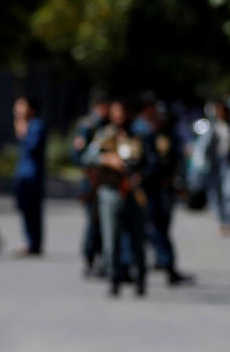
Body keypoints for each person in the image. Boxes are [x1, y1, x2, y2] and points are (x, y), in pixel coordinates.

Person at [83, 99, 147, 297]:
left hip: (134, 193)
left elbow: (151, 160)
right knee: (111, 239)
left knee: (137, 239)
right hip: (110, 191)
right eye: (116, 112)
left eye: (123, 112)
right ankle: (114, 278)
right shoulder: (104, 135)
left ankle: (140, 278)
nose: (120, 116)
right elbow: (86, 157)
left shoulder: (140, 135)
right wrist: (106, 159)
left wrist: (141, 173)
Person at [135, 98, 194, 286]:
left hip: (164, 187)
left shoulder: (168, 134)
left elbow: (177, 161)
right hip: (145, 187)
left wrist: (181, 184)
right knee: (151, 228)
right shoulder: (141, 132)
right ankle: (163, 264)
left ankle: (165, 263)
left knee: (161, 227)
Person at [189, 101, 230, 236]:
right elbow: (201, 147)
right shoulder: (210, 127)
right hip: (213, 165)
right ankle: (220, 221)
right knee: (214, 194)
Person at [72, 96, 109, 276]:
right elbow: (78, 155)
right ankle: (89, 258)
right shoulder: (87, 127)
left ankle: (103, 259)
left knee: (104, 224)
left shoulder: (108, 127)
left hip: (106, 180)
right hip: (91, 181)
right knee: (93, 223)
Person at [12, 96, 46, 256]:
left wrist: (22, 133)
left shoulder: (36, 125)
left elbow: (32, 147)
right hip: (24, 173)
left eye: (21, 106)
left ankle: (34, 243)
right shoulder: (28, 125)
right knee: (25, 208)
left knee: (33, 209)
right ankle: (31, 242)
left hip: (32, 174)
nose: (17, 110)